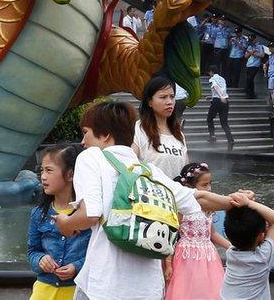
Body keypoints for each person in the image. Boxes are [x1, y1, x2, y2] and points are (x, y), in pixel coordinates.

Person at [53, 101, 252, 300]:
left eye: (86, 132)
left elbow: (90, 214)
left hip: (105, 285)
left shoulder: (92, 157)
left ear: (105, 135)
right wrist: (235, 200)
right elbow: (197, 197)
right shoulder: (149, 171)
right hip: (149, 288)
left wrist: (67, 223)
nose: (82, 141)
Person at [28, 144, 90, 300]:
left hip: (76, 291)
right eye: (42, 170)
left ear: (70, 174)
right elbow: (32, 251)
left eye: (49, 170)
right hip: (43, 291)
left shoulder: (87, 215)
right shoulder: (38, 213)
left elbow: (96, 254)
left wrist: (77, 267)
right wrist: (41, 260)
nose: (43, 176)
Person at [165, 162, 231, 300]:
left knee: (209, 292)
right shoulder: (183, 208)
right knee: (187, 292)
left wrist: (232, 247)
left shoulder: (209, 209)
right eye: (204, 185)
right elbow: (172, 233)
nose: (209, 188)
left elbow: (212, 234)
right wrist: (168, 262)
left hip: (208, 256)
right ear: (189, 187)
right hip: (186, 256)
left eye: (210, 184)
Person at [220, 200, 274, 300]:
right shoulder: (263, 257)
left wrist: (245, 201)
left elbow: (232, 215)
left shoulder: (231, 252)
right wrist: (248, 202)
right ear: (261, 236)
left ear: (228, 236)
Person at [133, 76, 188, 178]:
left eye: (172, 96)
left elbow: (186, 174)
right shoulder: (138, 130)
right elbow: (130, 168)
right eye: (163, 97)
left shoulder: (179, 135)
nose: (169, 102)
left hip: (176, 193)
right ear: (149, 102)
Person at [206, 66, 235, 150]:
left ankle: (212, 136)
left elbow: (216, 87)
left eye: (209, 72)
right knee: (224, 122)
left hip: (218, 101)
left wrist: (220, 96)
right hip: (225, 101)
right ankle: (231, 140)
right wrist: (213, 97)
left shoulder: (212, 79)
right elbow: (222, 90)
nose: (209, 74)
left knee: (209, 118)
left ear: (211, 72)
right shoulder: (222, 79)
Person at [244, 34, 266, 98]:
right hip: (249, 64)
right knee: (248, 79)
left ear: (255, 39)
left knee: (250, 78)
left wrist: (253, 53)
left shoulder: (259, 46)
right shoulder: (249, 46)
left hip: (255, 65)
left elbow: (262, 55)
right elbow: (245, 56)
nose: (251, 42)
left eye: (252, 40)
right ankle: (249, 93)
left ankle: (251, 93)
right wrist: (251, 52)